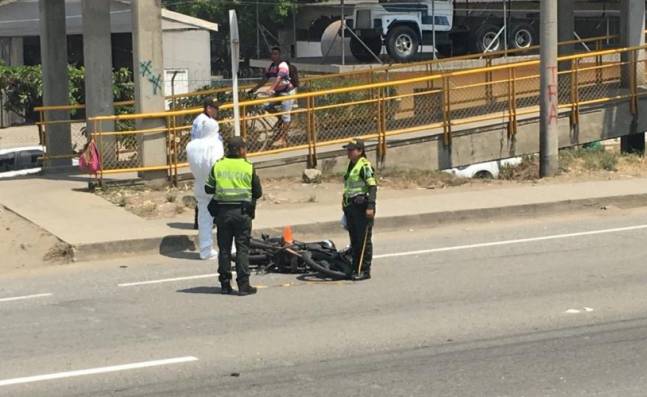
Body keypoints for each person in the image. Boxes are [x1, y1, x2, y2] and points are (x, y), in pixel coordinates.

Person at [205, 137, 263, 296]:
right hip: (242, 214)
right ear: (240, 150)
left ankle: (225, 285)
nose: (246, 152)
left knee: (224, 249)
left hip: (223, 213)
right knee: (242, 248)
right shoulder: (248, 167)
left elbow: (208, 188)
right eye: (245, 149)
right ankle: (244, 285)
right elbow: (258, 192)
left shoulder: (218, 165)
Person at [187, 117, 224, 260]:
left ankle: (205, 249)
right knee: (224, 217)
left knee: (204, 218)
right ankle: (229, 248)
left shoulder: (191, 145)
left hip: (200, 183)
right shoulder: (215, 144)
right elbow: (217, 164)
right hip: (216, 184)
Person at [342, 138, 377, 281]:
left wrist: (371, 206)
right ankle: (355, 267)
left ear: (360, 151)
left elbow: (373, 186)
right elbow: (349, 187)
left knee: (363, 241)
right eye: (347, 150)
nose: (348, 153)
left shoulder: (364, 166)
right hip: (351, 207)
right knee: (355, 240)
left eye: (351, 150)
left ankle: (364, 270)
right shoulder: (352, 165)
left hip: (362, 207)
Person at [251, 46, 297, 146]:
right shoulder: (271, 66)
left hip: (287, 92)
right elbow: (264, 79)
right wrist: (254, 89)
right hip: (278, 93)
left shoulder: (283, 65)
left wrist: (271, 88)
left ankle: (283, 139)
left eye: (276, 54)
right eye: (272, 54)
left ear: (279, 55)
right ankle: (280, 119)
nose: (274, 56)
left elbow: (279, 79)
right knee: (267, 106)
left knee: (286, 115)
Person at [190, 97, 222, 229]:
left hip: (200, 158)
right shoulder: (205, 122)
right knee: (209, 189)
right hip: (206, 158)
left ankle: (203, 220)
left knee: (204, 189)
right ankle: (207, 220)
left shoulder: (200, 120)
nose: (217, 111)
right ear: (208, 108)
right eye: (215, 108)